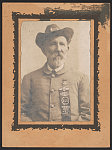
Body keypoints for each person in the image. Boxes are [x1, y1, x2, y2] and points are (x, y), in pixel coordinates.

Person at [21, 24, 90, 122]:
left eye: (62, 44)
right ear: (44, 50)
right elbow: (21, 114)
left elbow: (87, 115)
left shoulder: (81, 78)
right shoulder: (29, 79)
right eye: (53, 44)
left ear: (67, 49)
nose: (58, 49)